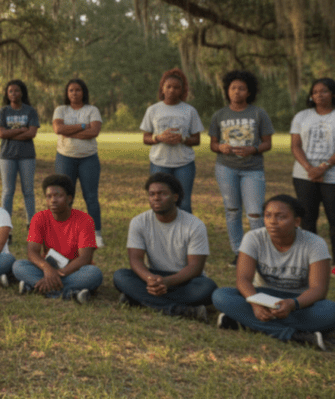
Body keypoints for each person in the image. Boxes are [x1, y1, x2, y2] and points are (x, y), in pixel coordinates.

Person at [213, 195, 335, 350]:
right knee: (221, 296)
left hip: (299, 302)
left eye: (281, 217)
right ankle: (295, 335)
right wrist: (255, 304)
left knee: (331, 312)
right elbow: (243, 279)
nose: (272, 221)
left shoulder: (315, 244)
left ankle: (245, 321)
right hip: (263, 297)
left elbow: (319, 290)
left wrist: (292, 304)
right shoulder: (253, 238)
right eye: (268, 216)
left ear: (297, 221)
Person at [113, 173, 217, 321]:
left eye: (162, 194)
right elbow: (135, 260)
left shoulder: (195, 225)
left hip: (184, 280)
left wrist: (167, 282)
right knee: (121, 276)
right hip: (153, 276)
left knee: (207, 288)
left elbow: (195, 267)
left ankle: (138, 298)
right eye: (152, 194)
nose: (156, 198)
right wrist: (150, 279)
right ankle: (177, 309)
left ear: (175, 197)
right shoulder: (139, 222)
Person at [208, 70, 274, 266]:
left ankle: (258, 253)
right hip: (226, 168)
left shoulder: (258, 113)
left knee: (254, 213)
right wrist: (220, 147)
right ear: (227, 90)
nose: (237, 92)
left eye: (241, 88)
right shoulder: (219, 115)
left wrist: (253, 149)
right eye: (233, 88)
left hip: (252, 169)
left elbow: (267, 143)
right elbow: (212, 144)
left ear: (249, 92)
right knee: (232, 211)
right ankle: (239, 252)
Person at [12, 174, 102, 303]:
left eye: (58, 196)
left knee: (94, 273)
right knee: (18, 265)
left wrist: (58, 273)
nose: (53, 200)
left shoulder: (85, 220)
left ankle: (36, 287)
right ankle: (70, 293)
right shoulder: (39, 218)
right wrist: (47, 269)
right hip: (47, 269)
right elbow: (32, 252)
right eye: (49, 196)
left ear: (69, 198)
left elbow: (85, 258)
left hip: (74, 270)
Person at [140, 68, 203, 214]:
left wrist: (183, 139)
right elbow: (146, 138)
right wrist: (159, 138)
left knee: (184, 202)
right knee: (160, 202)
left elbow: (197, 139)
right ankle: (162, 233)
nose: (172, 90)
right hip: (159, 162)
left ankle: (186, 235)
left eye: (176, 87)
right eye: (168, 86)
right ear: (162, 88)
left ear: (182, 90)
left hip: (184, 163)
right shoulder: (153, 110)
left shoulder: (189, 110)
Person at [52, 78, 104, 247]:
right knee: (64, 197)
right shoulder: (61, 110)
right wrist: (83, 126)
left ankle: (96, 235)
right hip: (65, 157)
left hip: (88, 158)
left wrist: (70, 131)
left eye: (78, 90)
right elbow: (58, 129)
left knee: (91, 197)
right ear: (67, 93)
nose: (74, 93)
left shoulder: (92, 109)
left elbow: (94, 131)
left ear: (84, 92)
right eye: (71, 90)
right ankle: (63, 233)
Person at [290, 77, 335, 258]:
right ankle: (313, 261)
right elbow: (295, 146)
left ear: (332, 93)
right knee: (307, 221)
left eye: (323, 91)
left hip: (332, 177)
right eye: (315, 92)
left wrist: (323, 167)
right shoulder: (302, 116)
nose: (318, 95)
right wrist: (310, 168)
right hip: (304, 176)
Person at [0, 79, 39, 233]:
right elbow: (1, 133)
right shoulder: (3, 112)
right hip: (7, 156)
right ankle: (6, 228)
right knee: (8, 192)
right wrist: (22, 130)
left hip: (27, 156)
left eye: (17, 91)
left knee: (28, 191)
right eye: (10, 91)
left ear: (22, 93)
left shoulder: (30, 111)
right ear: (7, 94)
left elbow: (32, 133)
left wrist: (11, 133)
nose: (14, 94)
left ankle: (32, 225)